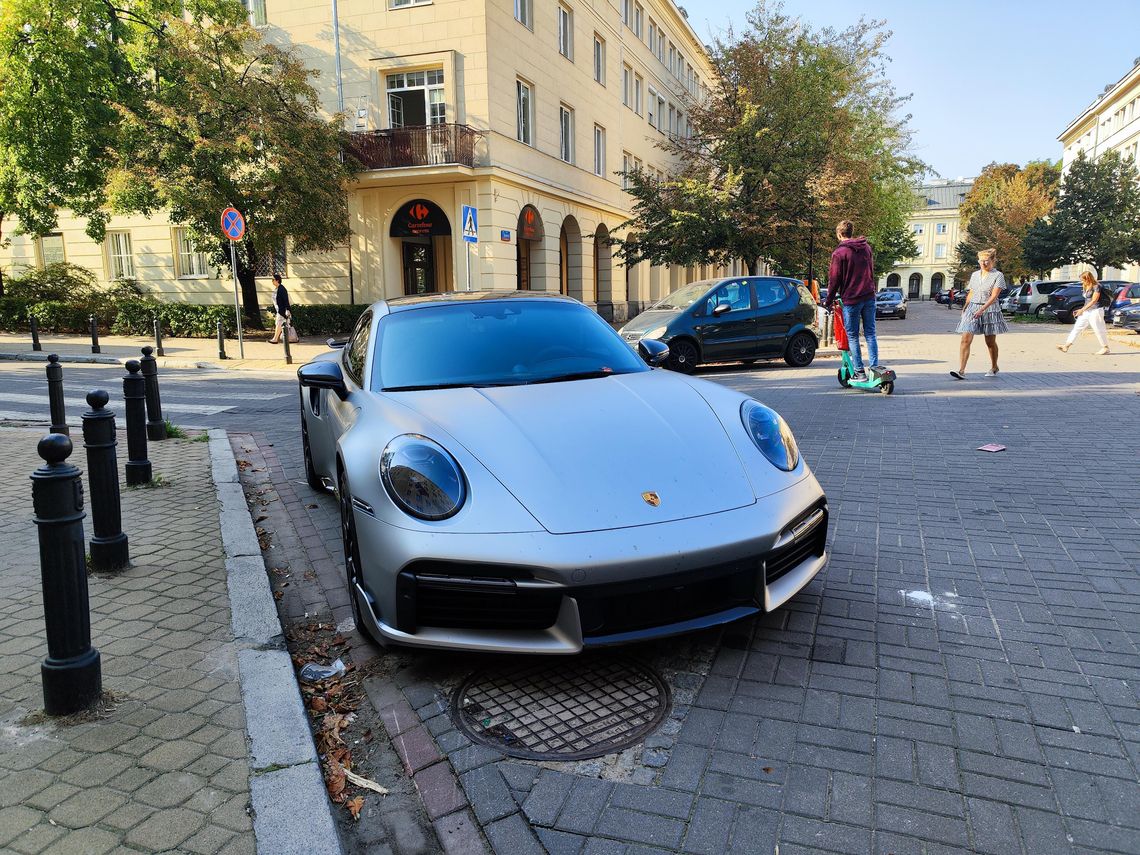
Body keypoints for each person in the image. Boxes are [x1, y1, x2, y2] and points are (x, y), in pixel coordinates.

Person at [826, 220, 877, 381]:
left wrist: (828, 300)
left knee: (853, 336)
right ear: (851, 232)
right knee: (870, 333)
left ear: (839, 234)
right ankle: (875, 368)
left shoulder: (839, 253)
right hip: (869, 296)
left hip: (852, 299)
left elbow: (834, 279)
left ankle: (859, 371)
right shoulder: (866, 248)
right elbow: (871, 270)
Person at [951, 248, 1008, 380]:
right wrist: (965, 305)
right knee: (965, 339)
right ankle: (961, 370)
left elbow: (994, 296)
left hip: (990, 309)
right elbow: (972, 291)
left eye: (986, 261)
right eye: (981, 261)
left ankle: (994, 367)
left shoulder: (998, 275)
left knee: (990, 342)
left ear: (993, 261)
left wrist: (982, 309)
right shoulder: (975, 275)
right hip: (973, 307)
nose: (983, 263)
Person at [1056, 271, 1110, 355]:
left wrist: (1082, 310)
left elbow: (1094, 300)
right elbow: (1086, 300)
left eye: (1083, 280)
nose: (1082, 282)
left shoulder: (1097, 286)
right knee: (1077, 327)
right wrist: (1081, 309)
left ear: (1088, 279)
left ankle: (1105, 347)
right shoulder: (1086, 286)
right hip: (1087, 311)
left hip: (1096, 310)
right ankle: (1066, 346)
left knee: (1098, 329)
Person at [268, 273, 291, 344]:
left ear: (277, 280)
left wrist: (287, 309)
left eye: (273, 280)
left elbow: (286, 300)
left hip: (282, 310)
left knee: (279, 324)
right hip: (279, 310)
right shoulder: (277, 288)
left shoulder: (282, 289)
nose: (272, 281)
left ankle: (275, 339)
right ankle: (290, 338)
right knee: (282, 324)